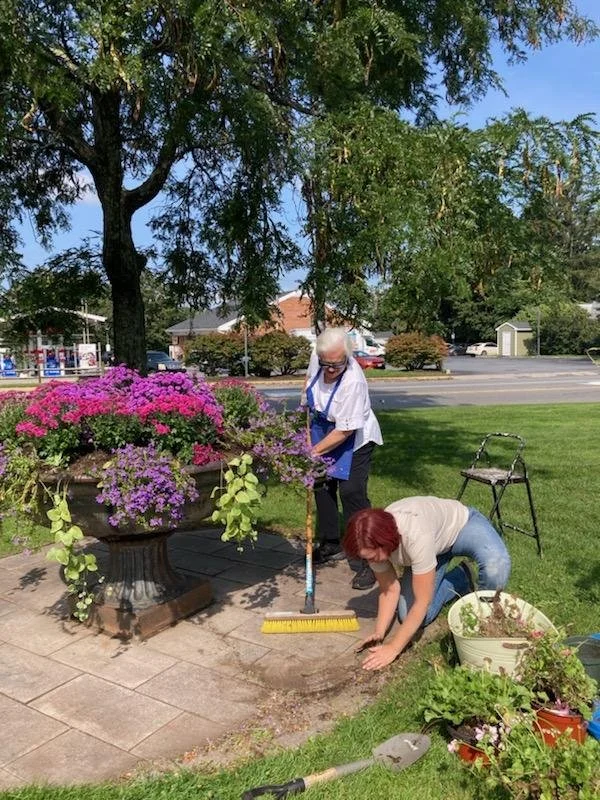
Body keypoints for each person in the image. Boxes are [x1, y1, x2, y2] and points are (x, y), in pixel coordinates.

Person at [343, 496, 511, 669]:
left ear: (385, 542)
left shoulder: (414, 535)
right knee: (408, 615)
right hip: (432, 549)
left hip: (461, 527)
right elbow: (389, 589)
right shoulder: (370, 542)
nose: (371, 561)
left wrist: (393, 648)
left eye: (371, 557)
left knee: (496, 565)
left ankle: (483, 612)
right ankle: (462, 576)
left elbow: (422, 602)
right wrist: (379, 632)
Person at [305, 327, 383, 590]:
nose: (329, 370)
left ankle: (370, 562)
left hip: (355, 437)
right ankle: (331, 543)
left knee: (351, 493)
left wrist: (312, 452)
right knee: (321, 485)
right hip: (325, 430)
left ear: (347, 357)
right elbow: (308, 397)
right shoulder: (320, 358)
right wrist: (308, 439)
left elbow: (346, 429)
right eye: (325, 363)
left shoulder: (353, 381)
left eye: (335, 365)